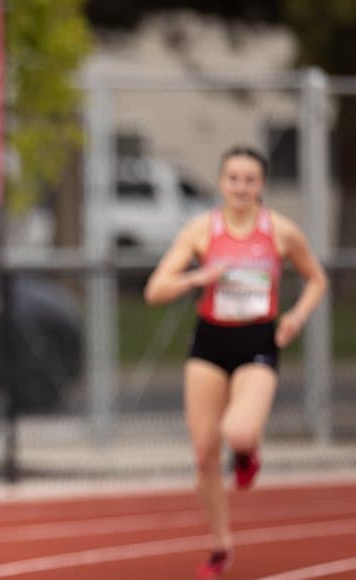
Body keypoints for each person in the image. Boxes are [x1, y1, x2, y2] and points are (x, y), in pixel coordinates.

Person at [143, 146, 328, 578]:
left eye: (250, 180)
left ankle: (246, 452)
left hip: (259, 340)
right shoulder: (201, 231)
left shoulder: (280, 231)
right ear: (222, 182)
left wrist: (296, 318)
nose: (241, 187)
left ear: (261, 185)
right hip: (210, 343)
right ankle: (221, 544)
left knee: (238, 430)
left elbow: (317, 278)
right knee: (205, 455)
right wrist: (197, 277)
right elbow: (155, 290)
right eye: (233, 179)